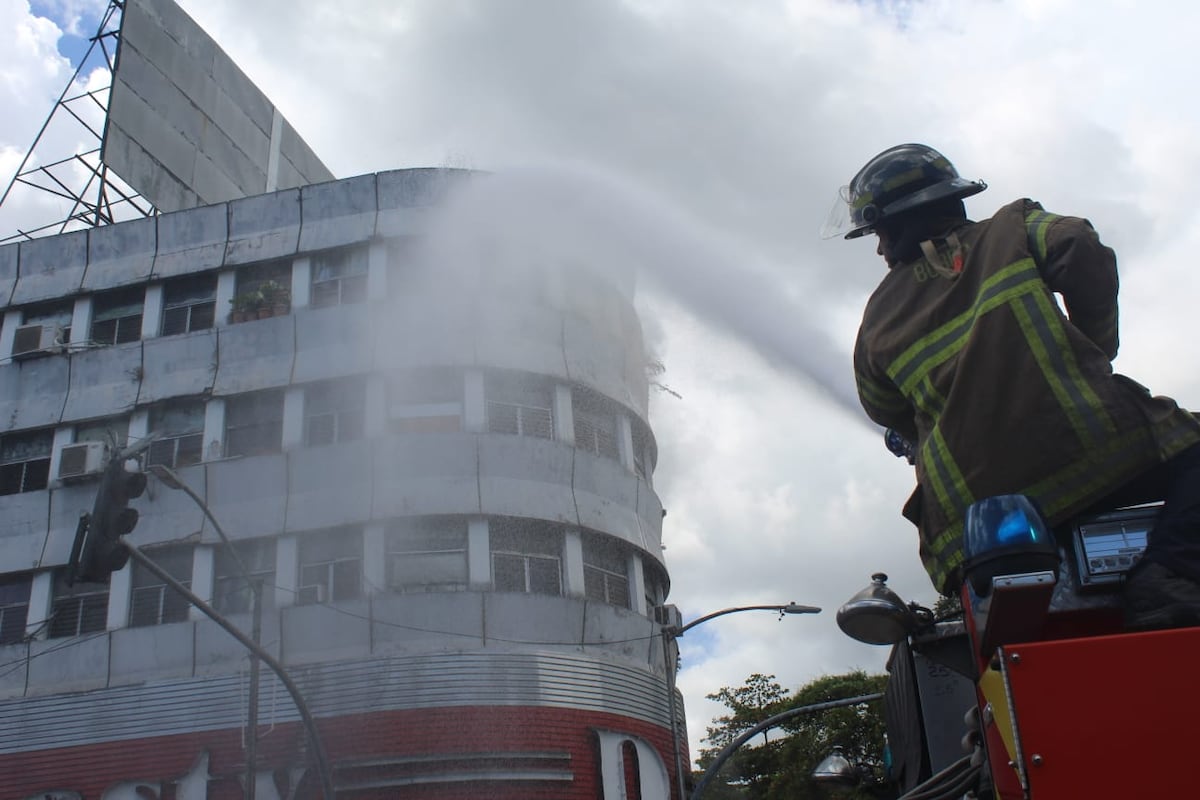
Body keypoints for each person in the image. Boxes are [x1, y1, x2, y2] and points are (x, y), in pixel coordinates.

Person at [826, 143, 1200, 629]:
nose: (880, 249)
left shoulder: (875, 319)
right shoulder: (1012, 230)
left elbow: (883, 408)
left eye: (879, 234)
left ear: (897, 226)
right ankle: (1170, 572)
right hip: (1103, 462)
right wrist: (1095, 344)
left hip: (975, 524)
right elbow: (1077, 243)